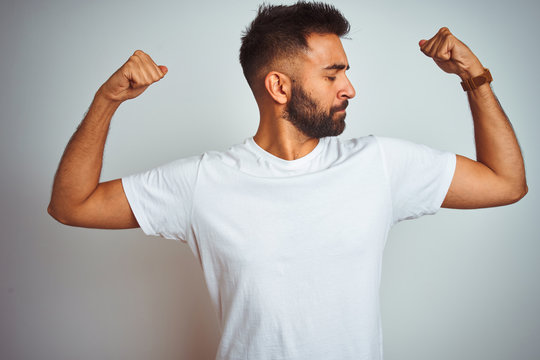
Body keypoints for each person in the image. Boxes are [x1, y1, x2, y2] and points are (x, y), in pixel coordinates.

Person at [47, 2, 527, 359]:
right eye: (333, 73)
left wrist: (475, 77)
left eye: (346, 71)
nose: (349, 88)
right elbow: (72, 205)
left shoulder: (380, 163)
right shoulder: (203, 182)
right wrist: (106, 101)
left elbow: (506, 183)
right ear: (279, 86)